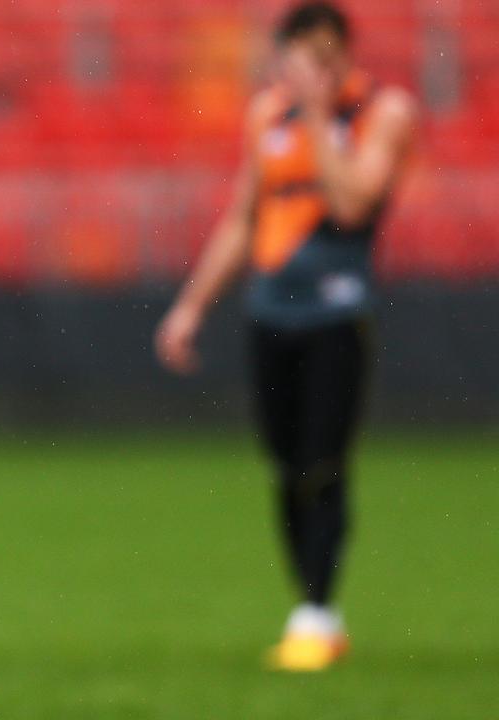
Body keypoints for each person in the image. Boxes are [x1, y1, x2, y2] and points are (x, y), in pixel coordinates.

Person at [153, 2, 415, 672]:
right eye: (301, 56)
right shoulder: (268, 116)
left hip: (336, 313)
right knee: (284, 462)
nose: (312, 69)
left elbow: (353, 200)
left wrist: (321, 113)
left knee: (322, 460)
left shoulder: (381, 114)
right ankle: (311, 604)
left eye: (326, 57)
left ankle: (317, 613)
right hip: (271, 313)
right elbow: (245, 217)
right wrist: (191, 307)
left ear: (346, 56)